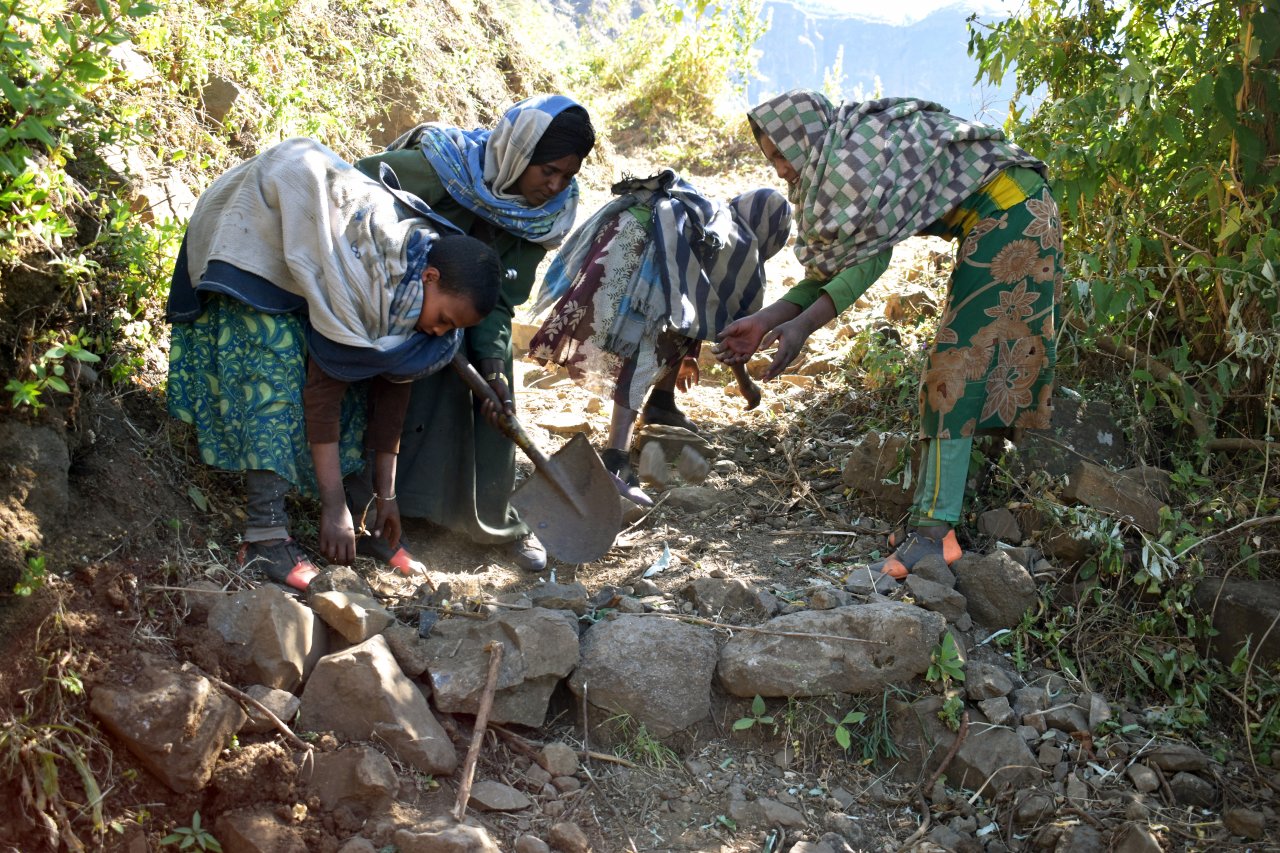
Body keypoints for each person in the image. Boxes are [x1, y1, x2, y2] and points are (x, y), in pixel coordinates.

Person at [715, 91, 1060, 579]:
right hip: (1005, 215)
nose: (780, 170)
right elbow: (842, 264)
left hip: (1013, 214)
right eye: (770, 158)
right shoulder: (844, 153)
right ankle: (934, 517)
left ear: (803, 137)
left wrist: (801, 327)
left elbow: (870, 259)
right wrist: (768, 321)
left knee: (955, 369)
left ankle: (936, 535)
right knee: (955, 364)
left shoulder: (846, 167)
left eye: (780, 154)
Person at [167, 137, 502, 590]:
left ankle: (365, 528)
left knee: (364, 380)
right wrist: (332, 506)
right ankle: (264, 538)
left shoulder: (411, 304)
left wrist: (387, 497)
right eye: (443, 319)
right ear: (430, 277)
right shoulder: (369, 279)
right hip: (259, 225)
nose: (440, 332)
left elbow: (392, 391)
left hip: (308, 253)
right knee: (276, 365)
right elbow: (323, 392)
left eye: (450, 328)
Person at [350, 95, 596, 572]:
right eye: (548, 170)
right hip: (398, 303)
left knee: (496, 397)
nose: (555, 186)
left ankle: (492, 522)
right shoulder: (442, 168)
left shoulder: (542, 217)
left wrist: (491, 370)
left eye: (567, 176)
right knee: (413, 367)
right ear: (518, 153)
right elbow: (355, 188)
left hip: (472, 315)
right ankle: (382, 512)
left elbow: (501, 300)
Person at [527, 170, 792, 485]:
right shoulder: (742, 247)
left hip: (621, 230)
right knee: (646, 343)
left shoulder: (714, 217)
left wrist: (688, 356)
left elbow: (696, 310)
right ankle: (616, 458)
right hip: (648, 252)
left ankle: (661, 403)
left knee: (680, 320)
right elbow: (731, 332)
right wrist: (746, 384)